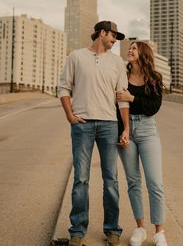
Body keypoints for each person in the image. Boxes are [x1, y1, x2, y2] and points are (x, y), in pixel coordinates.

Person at [58, 21, 130, 246]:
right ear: (102, 33)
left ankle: (112, 229)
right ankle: (77, 232)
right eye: (113, 36)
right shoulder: (76, 57)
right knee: (81, 179)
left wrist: (126, 127)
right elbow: (63, 87)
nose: (115, 40)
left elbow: (122, 96)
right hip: (82, 124)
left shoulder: (118, 62)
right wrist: (70, 116)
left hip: (109, 124)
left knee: (111, 179)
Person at [116, 41, 168, 246]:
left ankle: (159, 232)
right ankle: (140, 229)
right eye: (129, 48)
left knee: (155, 182)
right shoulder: (122, 75)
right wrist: (122, 130)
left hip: (147, 130)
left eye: (134, 48)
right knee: (133, 182)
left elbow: (153, 107)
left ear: (143, 53)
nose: (130, 50)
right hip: (126, 130)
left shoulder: (154, 78)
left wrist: (132, 97)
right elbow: (117, 104)